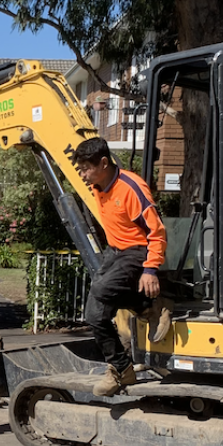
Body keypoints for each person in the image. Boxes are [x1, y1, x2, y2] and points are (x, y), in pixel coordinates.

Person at [72, 136, 171, 397]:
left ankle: (150, 305)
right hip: (115, 252)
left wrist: (150, 269)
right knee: (95, 316)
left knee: (102, 289)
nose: (82, 175)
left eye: (85, 168)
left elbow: (157, 231)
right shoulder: (98, 185)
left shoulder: (131, 188)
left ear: (103, 163)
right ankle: (122, 367)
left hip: (139, 251)